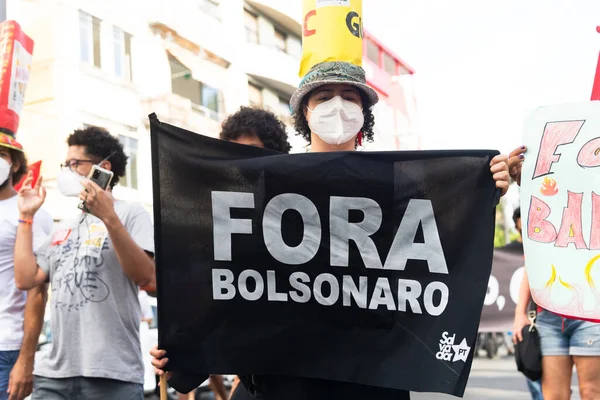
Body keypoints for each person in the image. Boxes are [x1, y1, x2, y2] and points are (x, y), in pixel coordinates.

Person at [152, 61, 511, 399]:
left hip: (369, 380)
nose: (336, 106)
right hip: (286, 382)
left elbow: (438, 255)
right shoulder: (270, 186)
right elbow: (238, 280)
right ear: (304, 113)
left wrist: (480, 194)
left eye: (349, 97)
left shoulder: (398, 186)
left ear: (364, 114)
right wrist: (187, 347)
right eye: (323, 98)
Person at [14, 126, 156, 399]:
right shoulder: (64, 227)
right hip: (55, 375)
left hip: (112, 375)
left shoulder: (131, 213)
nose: (67, 171)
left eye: (75, 164)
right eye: (65, 164)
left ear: (103, 168)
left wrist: (109, 217)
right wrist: (26, 217)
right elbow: (26, 279)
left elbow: (146, 277)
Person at [509, 146, 600, 400]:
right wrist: (520, 314)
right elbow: (533, 264)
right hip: (549, 317)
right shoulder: (545, 212)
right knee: (553, 396)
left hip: (590, 314)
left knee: (591, 392)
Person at [0, 129, 53, 400]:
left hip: (6, 348)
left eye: (0, 154)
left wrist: (26, 360)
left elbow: (37, 290)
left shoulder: (32, 212)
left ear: (16, 163)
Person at [510, 207, 544, 400]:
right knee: (537, 376)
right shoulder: (526, 247)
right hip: (540, 318)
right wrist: (519, 313)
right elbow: (529, 272)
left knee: (590, 389)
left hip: (582, 317)